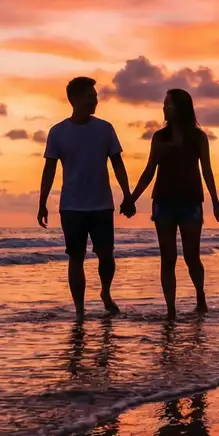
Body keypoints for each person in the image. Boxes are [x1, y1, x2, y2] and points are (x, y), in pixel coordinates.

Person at [123, 88, 219, 319]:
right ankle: (171, 310)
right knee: (167, 257)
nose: (164, 107)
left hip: (190, 202)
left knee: (191, 255)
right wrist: (132, 198)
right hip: (164, 201)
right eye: (164, 103)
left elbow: (206, 171)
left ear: (180, 107)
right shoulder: (159, 137)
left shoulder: (198, 137)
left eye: (168, 103)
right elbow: (149, 170)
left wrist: (216, 203)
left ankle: (200, 296)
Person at [37, 76, 131, 318]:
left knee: (106, 256)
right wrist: (42, 203)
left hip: (101, 204)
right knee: (75, 257)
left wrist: (127, 194)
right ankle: (79, 311)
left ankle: (105, 292)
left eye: (95, 96)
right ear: (75, 100)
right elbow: (49, 170)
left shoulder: (105, 128)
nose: (95, 100)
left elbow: (118, 163)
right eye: (90, 96)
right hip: (71, 206)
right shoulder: (58, 132)